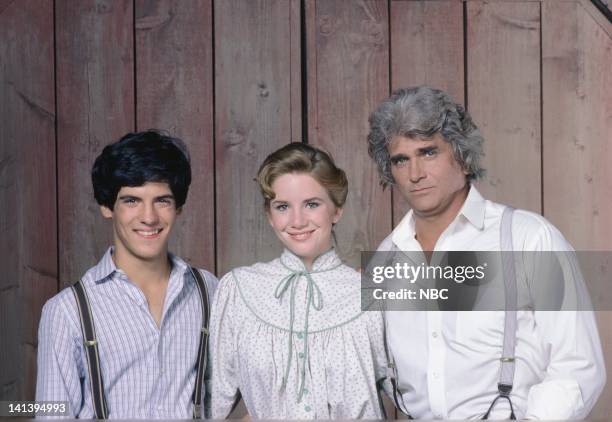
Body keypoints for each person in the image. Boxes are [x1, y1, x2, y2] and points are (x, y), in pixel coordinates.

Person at [366, 86, 605, 419]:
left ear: (462, 157)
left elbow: (578, 365)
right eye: (401, 160)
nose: (415, 174)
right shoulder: (385, 257)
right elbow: (374, 368)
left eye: (429, 152)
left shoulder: (528, 238)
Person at [36, 130, 218, 418]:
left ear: (178, 208)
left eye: (162, 200)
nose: (149, 217)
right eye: (132, 200)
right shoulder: (67, 311)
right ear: (107, 207)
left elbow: (227, 393)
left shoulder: (208, 290)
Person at [208, 143, 388, 419]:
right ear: (269, 215)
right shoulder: (239, 289)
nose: (297, 220)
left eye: (312, 204)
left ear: (337, 209)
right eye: (282, 207)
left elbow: (421, 385)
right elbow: (214, 402)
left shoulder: (374, 289)